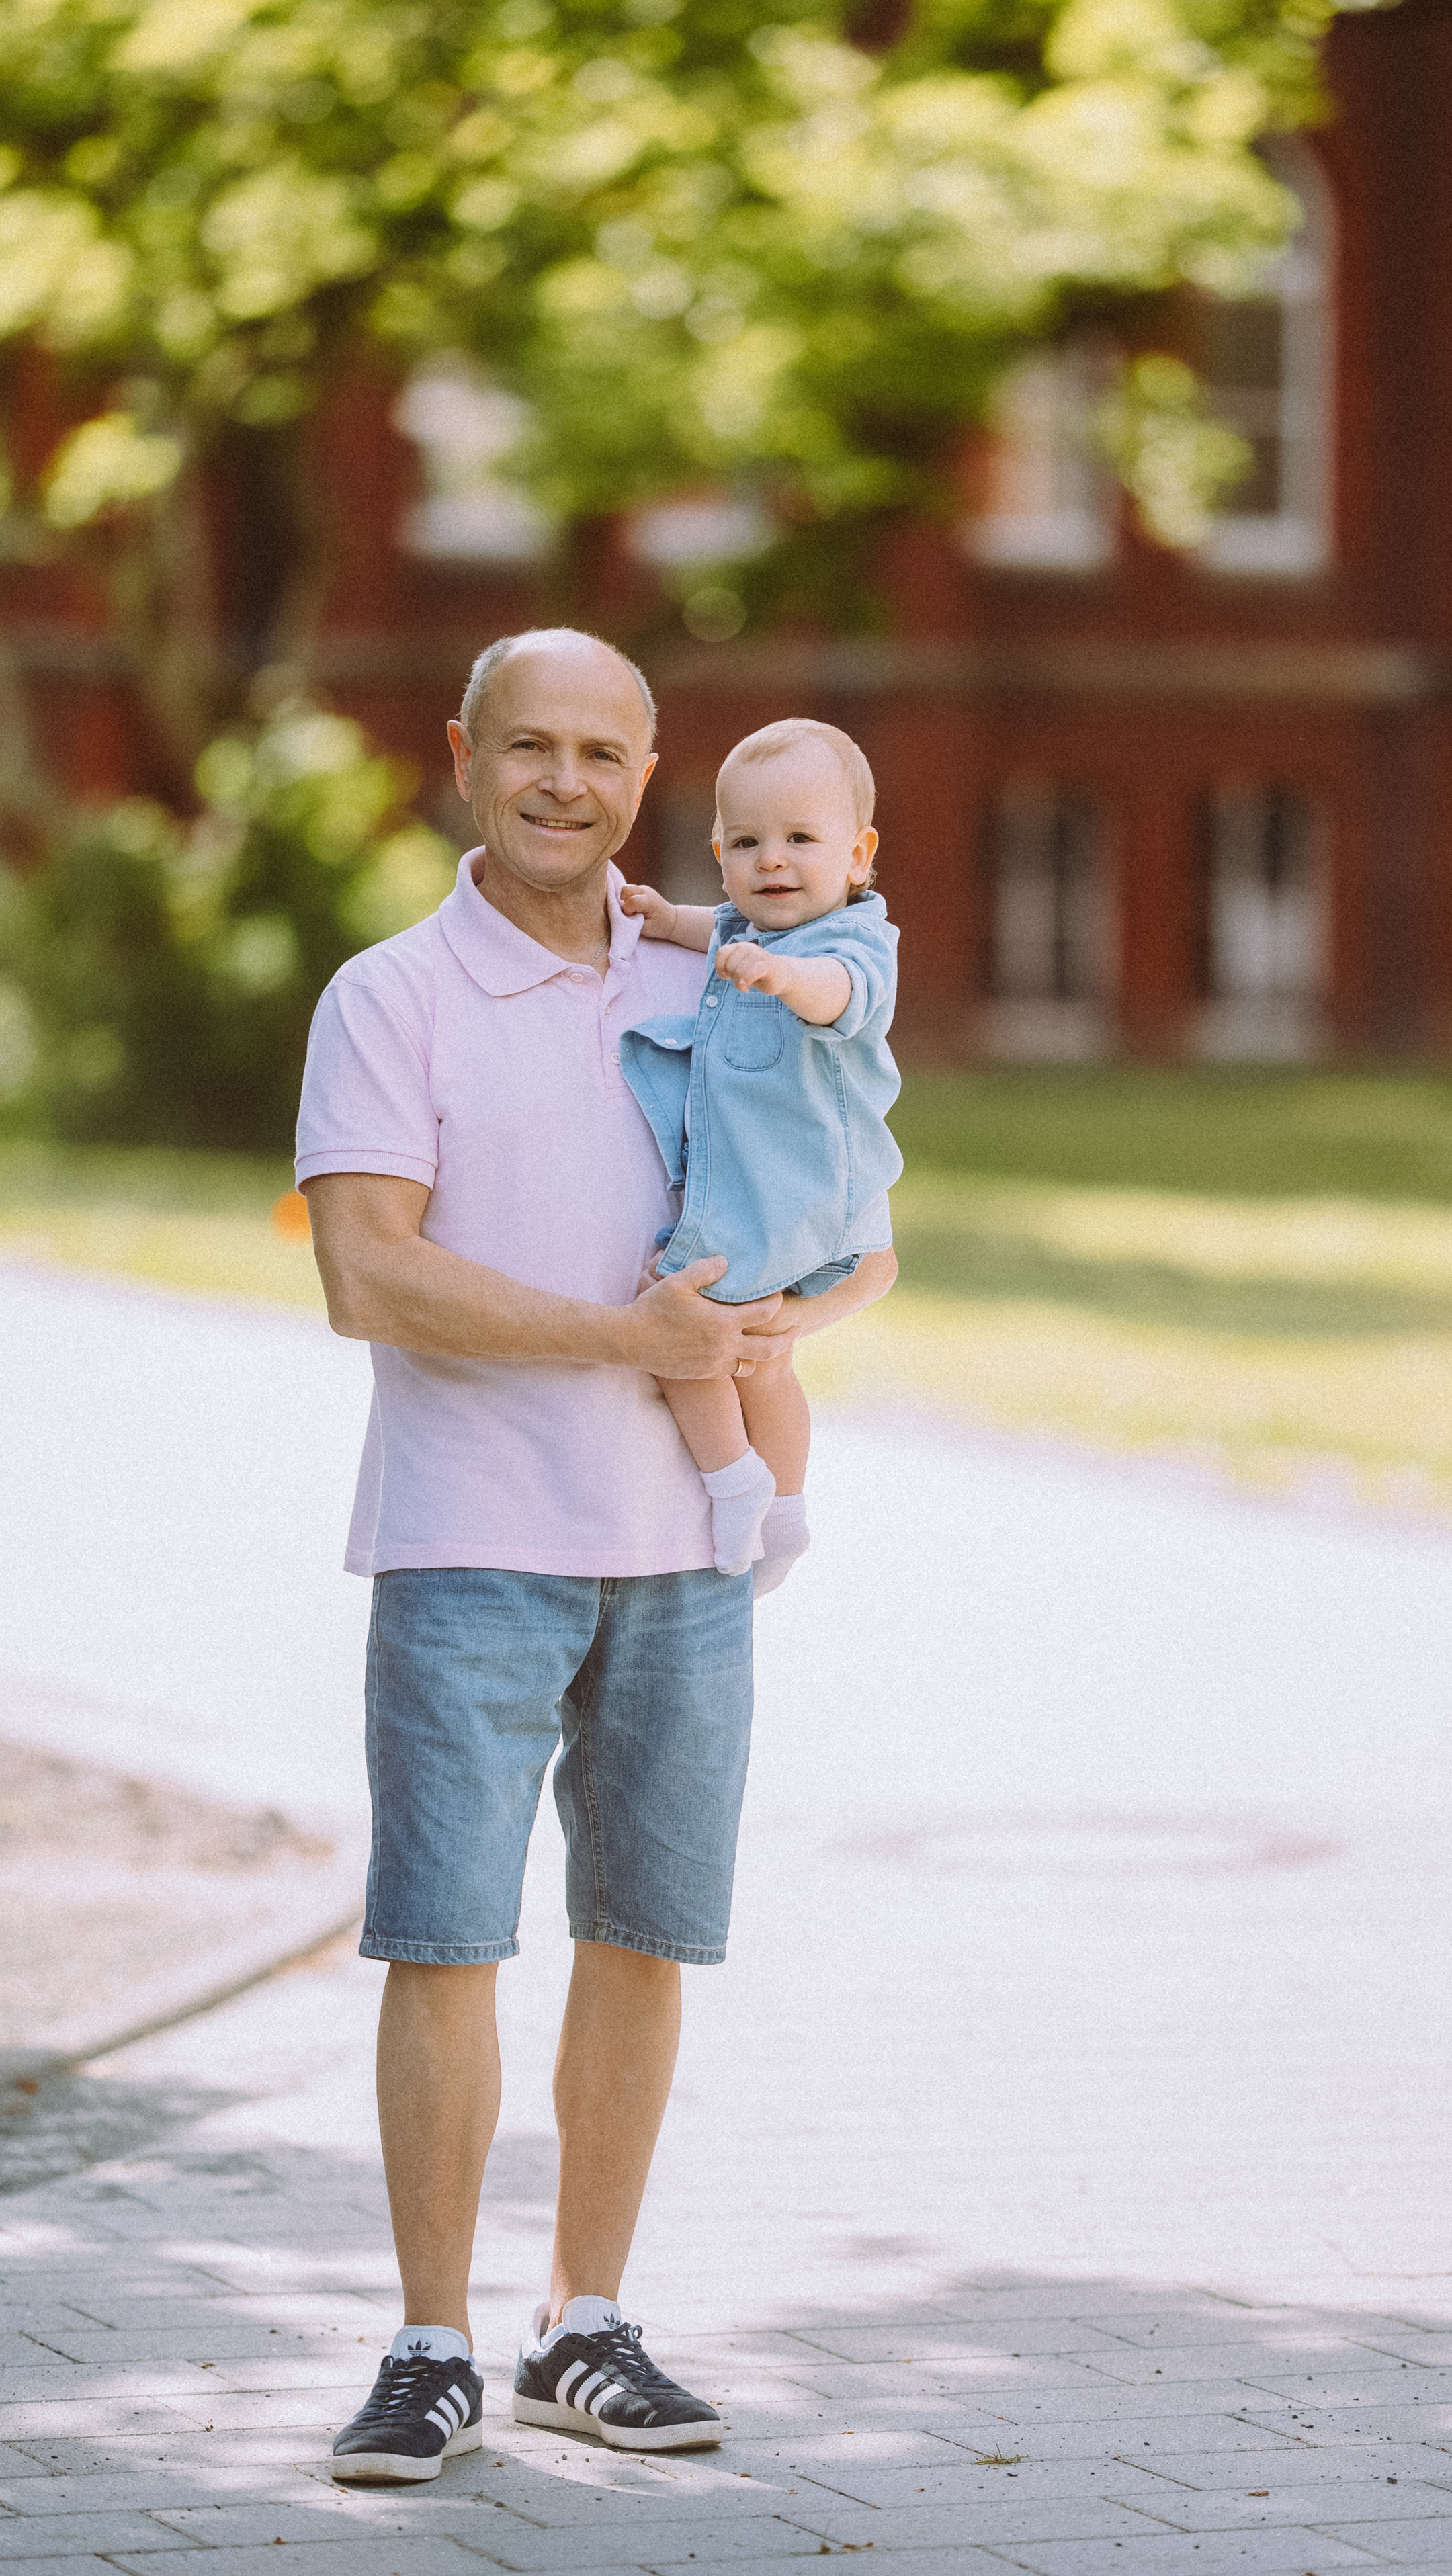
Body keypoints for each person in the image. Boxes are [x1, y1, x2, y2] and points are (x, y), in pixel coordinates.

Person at [294, 629, 896, 2482]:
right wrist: (628, 1341)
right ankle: (427, 2342)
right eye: (532, 746)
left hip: (682, 1559)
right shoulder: (389, 996)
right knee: (447, 1938)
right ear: (465, 755)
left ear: (651, 780)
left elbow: (850, 1183)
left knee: (643, 1933)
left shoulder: (712, 964)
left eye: (606, 754)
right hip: (469, 1541)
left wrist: (823, 1311)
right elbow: (366, 1274)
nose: (568, 780)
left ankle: (587, 2323)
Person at [617, 719, 900, 1597]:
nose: (772, 860)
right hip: (792, 1196)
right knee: (766, 1363)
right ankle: (787, 1509)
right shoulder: (747, 927)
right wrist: (669, 918)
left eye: (800, 840)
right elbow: (721, 926)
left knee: (667, 1313)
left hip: (782, 1198)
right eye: (747, 842)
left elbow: (838, 996)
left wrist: (783, 980)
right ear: (720, 849)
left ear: (858, 855)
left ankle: (731, 1474)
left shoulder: (854, 945)